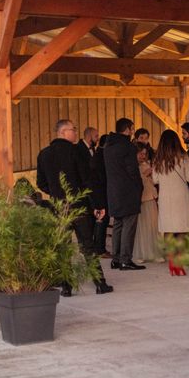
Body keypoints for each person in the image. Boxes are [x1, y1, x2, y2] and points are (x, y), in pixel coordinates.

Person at [36, 119, 113, 296]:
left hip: (59, 208)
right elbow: (87, 180)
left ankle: (66, 287)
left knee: (63, 248)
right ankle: (100, 284)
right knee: (87, 246)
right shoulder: (76, 152)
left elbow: (41, 183)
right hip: (78, 206)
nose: (76, 132)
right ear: (63, 132)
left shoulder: (44, 154)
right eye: (73, 129)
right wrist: (97, 204)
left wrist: (56, 192)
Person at [152, 130, 189, 276]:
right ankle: (180, 264)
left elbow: (155, 180)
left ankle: (172, 264)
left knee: (169, 230)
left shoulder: (158, 159)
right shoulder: (183, 156)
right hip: (182, 198)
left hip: (165, 198)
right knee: (181, 230)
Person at [104, 118, 145, 271]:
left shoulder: (108, 145)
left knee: (118, 224)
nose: (133, 132)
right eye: (133, 129)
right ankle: (125, 260)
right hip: (128, 190)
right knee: (129, 224)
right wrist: (139, 187)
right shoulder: (128, 146)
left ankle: (116, 259)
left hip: (113, 189)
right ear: (128, 129)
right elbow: (133, 170)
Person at [133, 142, 160, 263]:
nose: (143, 156)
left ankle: (155, 252)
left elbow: (154, 180)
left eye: (145, 153)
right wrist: (146, 173)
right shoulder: (133, 166)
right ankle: (141, 254)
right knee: (142, 227)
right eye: (141, 153)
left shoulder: (148, 164)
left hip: (151, 197)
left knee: (153, 226)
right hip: (141, 198)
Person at [90, 134, 110, 256]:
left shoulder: (97, 154)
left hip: (98, 191)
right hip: (101, 191)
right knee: (102, 219)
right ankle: (100, 249)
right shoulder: (102, 156)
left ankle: (98, 247)